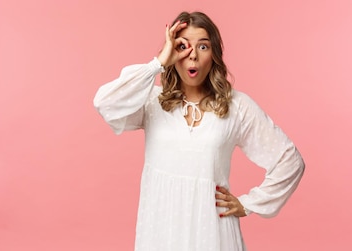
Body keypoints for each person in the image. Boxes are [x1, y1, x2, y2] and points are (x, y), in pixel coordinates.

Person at [93, 11, 305, 250]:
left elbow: (290, 160)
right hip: (162, 230)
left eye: (203, 47)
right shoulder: (153, 101)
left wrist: (247, 204)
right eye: (183, 46)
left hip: (213, 233)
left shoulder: (237, 106)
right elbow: (105, 103)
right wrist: (158, 62)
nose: (192, 55)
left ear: (213, 54)